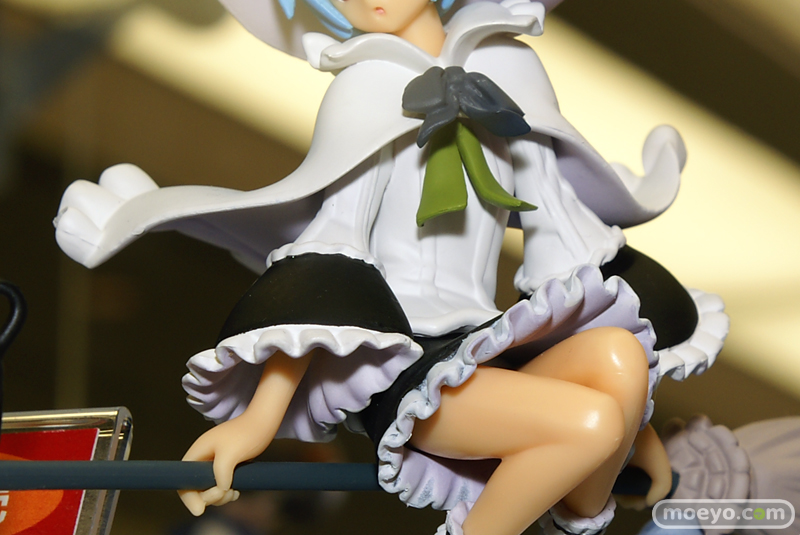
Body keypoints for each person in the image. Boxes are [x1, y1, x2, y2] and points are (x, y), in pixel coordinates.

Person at [53, 1, 728, 534]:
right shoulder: (366, 90)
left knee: (617, 358)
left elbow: (567, 239)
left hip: (492, 344)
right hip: (407, 365)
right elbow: (328, 257)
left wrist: (634, 420)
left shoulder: (509, 73)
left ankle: (573, 502)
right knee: (589, 423)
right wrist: (259, 419)